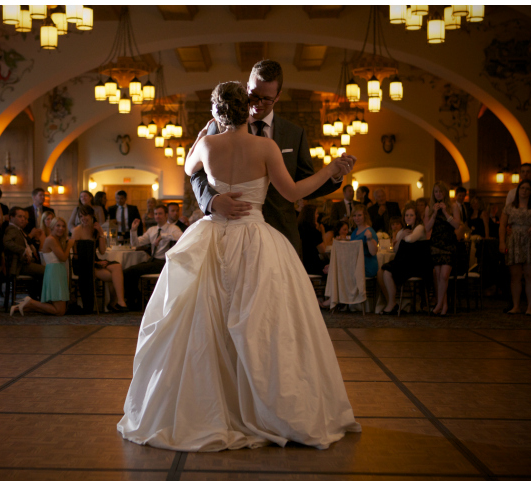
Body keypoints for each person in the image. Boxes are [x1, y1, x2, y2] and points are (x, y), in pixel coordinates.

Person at [119, 81, 359, 452]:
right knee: (262, 325)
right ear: (247, 108)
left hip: (212, 236)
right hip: (254, 238)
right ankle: (266, 405)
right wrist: (329, 170)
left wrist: (203, 131)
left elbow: (187, 168)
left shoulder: (206, 145)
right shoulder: (265, 146)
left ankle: (212, 406)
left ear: (217, 112)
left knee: (204, 321)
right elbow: (293, 193)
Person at [191, 60, 352, 254]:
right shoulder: (219, 125)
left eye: (266, 99)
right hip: (225, 233)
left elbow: (302, 184)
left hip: (281, 234)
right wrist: (212, 200)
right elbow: (196, 174)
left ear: (277, 96)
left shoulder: (294, 133)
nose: (258, 104)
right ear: (246, 88)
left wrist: (334, 175)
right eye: (254, 96)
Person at [500, 180, 531, 316]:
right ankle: (516, 306)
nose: (524, 191)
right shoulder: (509, 207)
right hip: (513, 240)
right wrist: (502, 242)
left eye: (527, 189)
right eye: (522, 188)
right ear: (518, 190)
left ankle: (530, 307)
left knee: (530, 275)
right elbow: (502, 225)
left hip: (530, 241)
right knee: (515, 276)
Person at [123, 205, 183, 310]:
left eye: (160, 213)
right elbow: (136, 244)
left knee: (130, 271)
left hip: (165, 263)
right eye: (156, 214)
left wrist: (163, 236)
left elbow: (182, 237)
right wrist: (133, 230)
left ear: (166, 215)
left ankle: (136, 301)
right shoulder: (152, 230)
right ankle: (138, 300)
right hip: (153, 261)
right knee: (128, 271)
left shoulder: (173, 228)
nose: (157, 216)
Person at [10, 216, 74, 316]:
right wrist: (70, 245)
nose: (61, 228)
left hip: (58, 271)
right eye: (58, 225)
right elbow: (63, 258)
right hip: (54, 272)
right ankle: (31, 302)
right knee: (60, 311)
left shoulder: (57, 239)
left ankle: (25, 307)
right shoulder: (51, 239)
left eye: (63, 226)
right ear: (52, 226)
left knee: (60, 310)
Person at [70, 209, 129, 312]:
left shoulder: (95, 230)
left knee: (117, 267)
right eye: (81, 216)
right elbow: (76, 256)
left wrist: (101, 233)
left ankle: (120, 302)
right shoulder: (77, 230)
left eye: (86, 215)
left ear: (92, 216)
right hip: (83, 264)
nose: (83, 218)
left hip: (94, 260)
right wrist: (95, 263)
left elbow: (102, 251)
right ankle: (115, 303)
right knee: (116, 277)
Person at [378, 206, 429, 314]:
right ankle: (392, 304)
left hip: (417, 264)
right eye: (406, 215)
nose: (409, 217)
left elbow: (411, 239)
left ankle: (392, 304)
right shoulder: (404, 230)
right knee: (385, 271)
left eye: (411, 215)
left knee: (388, 271)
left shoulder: (419, 227)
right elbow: (396, 249)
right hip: (405, 262)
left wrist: (401, 237)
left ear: (416, 217)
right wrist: (401, 236)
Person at [424, 181, 462, 317]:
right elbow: (427, 228)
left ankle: (439, 304)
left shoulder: (453, 207)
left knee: (445, 275)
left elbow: (457, 225)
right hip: (435, 243)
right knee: (439, 276)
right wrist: (434, 213)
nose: (438, 194)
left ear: (445, 192)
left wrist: (445, 212)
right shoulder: (429, 208)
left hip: (448, 243)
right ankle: (444, 306)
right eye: (436, 191)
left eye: (440, 191)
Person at [3, 207, 46, 283]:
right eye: (20, 216)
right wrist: (23, 250)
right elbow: (7, 242)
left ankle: (38, 293)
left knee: (48, 269)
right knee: (48, 271)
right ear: (11, 217)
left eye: (24, 217)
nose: (23, 219)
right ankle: (45, 294)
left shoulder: (18, 229)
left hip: (26, 262)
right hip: (20, 265)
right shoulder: (12, 229)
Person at [349, 204, 380, 278]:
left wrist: (369, 238)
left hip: (367, 266)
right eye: (354, 215)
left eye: (359, 215)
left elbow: (373, 252)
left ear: (365, 216)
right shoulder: (355, 231)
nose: (356, 218)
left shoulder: (369, 231)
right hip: (357, 265)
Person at [297, 204, 326, 276]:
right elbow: (323, 250)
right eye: (316, 213)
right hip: (312, 266)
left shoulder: (297, 230)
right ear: (311, 216)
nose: (318, 216)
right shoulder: (313, 232)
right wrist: (322, 232)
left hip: (299, 265)